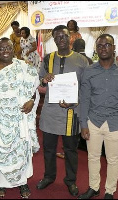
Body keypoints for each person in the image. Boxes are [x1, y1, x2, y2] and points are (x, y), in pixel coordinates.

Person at [0, 37, 40, 199]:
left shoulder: (23, 67)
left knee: (21, 151)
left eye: (8, 47)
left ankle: (22, 182)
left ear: (13, 49)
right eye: (1, 48)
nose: (5, 51)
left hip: (19, 119)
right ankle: (0, 183)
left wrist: (32, 101)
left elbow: (34, 87)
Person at [78, 34, 118, 199]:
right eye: (100, 45)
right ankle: (94, 187)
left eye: (107, 45)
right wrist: (83, 124)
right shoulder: (89, 71)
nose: (103, 48)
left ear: (113, 47)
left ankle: (110, 191)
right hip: (93, 121)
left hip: (115, 122)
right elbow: (84, 99)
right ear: (96, 49)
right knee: (93, 157)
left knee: (113, 160)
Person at [36, 25, 89, 197]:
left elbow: (87, 88)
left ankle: (71, 181)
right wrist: (44, 79)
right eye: (57, 37)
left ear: (70, 37)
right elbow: (40, 82)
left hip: (71, 114)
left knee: (71, 151)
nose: (61, 39)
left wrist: (75, 102)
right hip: (51, 113)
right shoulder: (48, 58)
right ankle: (49, 177)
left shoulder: (81, 60)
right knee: (49, 149)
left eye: (64, 36)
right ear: (54, 39)